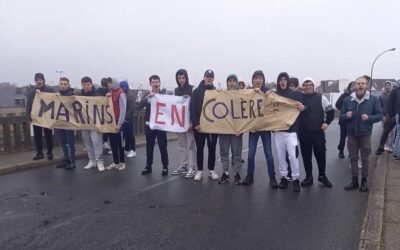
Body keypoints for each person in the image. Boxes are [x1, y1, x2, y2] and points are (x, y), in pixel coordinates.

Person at [341, 75, 382, 192]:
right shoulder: (348, 99)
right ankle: (354, 181)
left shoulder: (373, 99)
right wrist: (346, 116)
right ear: (355, 85)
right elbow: (342, 116)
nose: (360, 86)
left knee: (365, 158)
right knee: (353, 158)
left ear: (366, 85)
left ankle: (364, 182)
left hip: (365, 134)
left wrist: (369, 118)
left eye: (362, 84)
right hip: (352, 134)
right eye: (358, 84)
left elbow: (379, 116)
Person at [241, 70, 277, 188]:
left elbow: (276, 105)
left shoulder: (269, 92)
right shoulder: (249, 92)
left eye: (260, 78)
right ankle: (249, 175)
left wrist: (271, 94)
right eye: (255, 78)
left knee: (268, 153)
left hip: (265, 128)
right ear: (252, 80)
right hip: (254, 129)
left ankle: (272, 177)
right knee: (251, 154)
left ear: (263, 80)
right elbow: (236, 100)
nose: (257, 80)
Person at [299, 78, 334, 188]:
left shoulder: (321, 97)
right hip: (304, 133)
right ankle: (309, 177)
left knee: (320, 155)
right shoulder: (299, 97)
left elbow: (331, 111)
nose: (308, 86)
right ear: (303, 86)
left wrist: (327, 123)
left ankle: (322, 176)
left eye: (310, 84)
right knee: (306, 156)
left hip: (318, 132)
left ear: (313, 86)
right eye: (306, 85)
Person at [274, 72, 305, 192]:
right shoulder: (274, 95)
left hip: (291, 131)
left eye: (284, 79)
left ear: (287, 81)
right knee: (281, 156)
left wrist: (304, 107)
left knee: (293, 156)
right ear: (278, 82)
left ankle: (295, 178)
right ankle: (284, 177)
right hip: (278, 131)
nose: (283, 81)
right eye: (280, 79)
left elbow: (305, 106)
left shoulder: (296, 94)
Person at [190, 70, 219, 181]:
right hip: (200, 127)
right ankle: (200, 170)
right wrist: (195, 123)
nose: (209, 78)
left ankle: (211, 170)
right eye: (207, 76)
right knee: (200, 148)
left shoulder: (216, 91)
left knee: (212, 148)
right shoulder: (197, 91)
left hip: (212, 127)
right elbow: (192, 109)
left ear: (213, 78)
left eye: (211, 76)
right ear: (204, 77)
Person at [138, 75, 169, 176]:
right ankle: (148, 166)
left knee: (162, 146)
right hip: (149, 125)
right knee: (149, 146)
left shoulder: (164, 95)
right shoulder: (147, 94)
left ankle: (165, 166)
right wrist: (147, 98)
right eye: (153, 82)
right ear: (150, 84)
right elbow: (139, 107)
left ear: (159, 83)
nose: (155, 84)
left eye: (157, 82)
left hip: (160, 125)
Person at [218, 74, 243, 185]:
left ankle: (237, 173)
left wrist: (242, 129)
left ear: (236, 83)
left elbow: (245, 113)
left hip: (236, 130)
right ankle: (225, 172)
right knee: (224, 152)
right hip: (224, 129)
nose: (232, 83)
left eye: (234, 81)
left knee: (236, 153)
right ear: (227, 83)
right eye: (230, 81)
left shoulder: (242, 96)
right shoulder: (222, 95)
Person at [172, 69, 196, 178]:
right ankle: (184, 165)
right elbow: (172, 106)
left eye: (183, 78)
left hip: (189, 122)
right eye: (179, 78)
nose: (181, 80)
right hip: (179, 123)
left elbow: (195, 107)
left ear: (186, 78)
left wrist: (192, 122)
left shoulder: (192, 89)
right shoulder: (175, 90)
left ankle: (192, 167)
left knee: (190, 145)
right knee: (181, 145)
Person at [26, 73, 54, 160]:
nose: (39, 81)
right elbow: (29, 105)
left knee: (48, 135)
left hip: (47, 117)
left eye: (40, 80)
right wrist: (28, 116)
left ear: (43, 81)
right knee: (37, 136)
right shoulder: (32, 92)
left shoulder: (50, 90)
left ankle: (49, 152)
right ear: (35, 81)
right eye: (37, 80)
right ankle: (39, 153)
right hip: (36, 117)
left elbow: (55, 100)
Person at [80, 77, 105, 172]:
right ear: (82, 85)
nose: (86, 87)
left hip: (95, 123)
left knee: (96, 142)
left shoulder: (97, 94)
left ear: (91, 85)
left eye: (88, 85)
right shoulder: (79, 95)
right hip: (84, 123)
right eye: (84, 85)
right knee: (87, 143)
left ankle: (99, 161)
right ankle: (92, 160)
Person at [105, 78, 127, 171]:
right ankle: (115, 161)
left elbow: (123, 110)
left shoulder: (120, 93)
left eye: (110, 83)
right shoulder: (111, 93)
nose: (109, 85)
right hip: (111, 123)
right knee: (113, 144)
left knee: (120, 144)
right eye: (108, 83)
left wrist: (119, 124)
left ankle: (122, 163)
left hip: (118, 123)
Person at [54, 77, 76, 170]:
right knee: (63, 141)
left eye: (65, 84)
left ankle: (72, 161)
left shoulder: (72, 95)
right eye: (61, 84)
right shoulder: (57, 95)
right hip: (60, 121)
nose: (63, 86)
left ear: (68, 85)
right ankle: (66, 158)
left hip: (69, 122)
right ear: (59, 84)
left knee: (70, 142)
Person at [335, 81, 355, 158]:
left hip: (354, 121)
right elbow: (337, 104)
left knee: (352, 138)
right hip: (344, 120)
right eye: (351, 86)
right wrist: (345, 110)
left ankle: (352, 151)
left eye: (354, 86)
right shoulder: (344, 95)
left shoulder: (357, 96)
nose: (353, 88)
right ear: (349, 87)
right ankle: (341, 151)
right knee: (343, 136)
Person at [376, 81, 396, 154]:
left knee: (392, 132)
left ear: (391, 86)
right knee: (385, 131)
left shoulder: (394, 95)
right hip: (384, 116)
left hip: (392, 116)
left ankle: (390, 146)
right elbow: (379, 106)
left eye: (389, 85)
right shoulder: (381, 96)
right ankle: (386, 145)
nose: (387, 87)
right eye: (386, 86)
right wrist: (381, 114)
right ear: (384, 87)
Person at [119, 81, 137, 158]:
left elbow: (132, 107)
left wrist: (126, 117)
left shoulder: (130, 95)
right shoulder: (123, 94)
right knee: (125, 135)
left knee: (130, 134)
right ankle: (127, 149)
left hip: (128, 118)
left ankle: (133, 150)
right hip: (124, 118)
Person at [99, 77, 112, 155]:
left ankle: (105, 143)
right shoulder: (99, 91)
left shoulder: (110, 91)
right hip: (101, 114)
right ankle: (103, 144)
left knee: (106, 130)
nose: (106, 87)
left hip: (107, 114)